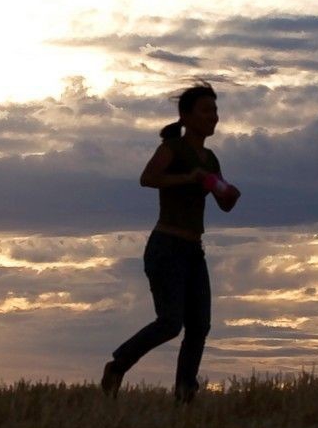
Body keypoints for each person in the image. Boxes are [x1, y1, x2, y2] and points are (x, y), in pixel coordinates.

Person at [101, 82, 241, 403]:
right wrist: (187, 178)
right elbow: (147, 178)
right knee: (170, 323)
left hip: (194, 250)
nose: (214, 117)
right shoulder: (174, 149)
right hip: (166, 246)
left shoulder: (210, 158)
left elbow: (225, 204)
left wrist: (227, 191)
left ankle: (184, 394)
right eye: (206, 110)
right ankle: (118, 365)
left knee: (199, 326)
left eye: (215, 111)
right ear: (186, 116)